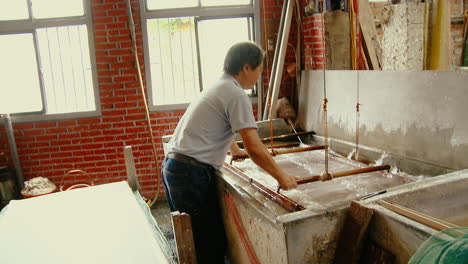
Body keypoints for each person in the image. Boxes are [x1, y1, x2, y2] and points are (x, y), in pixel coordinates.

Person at [162, 42, 298, 263]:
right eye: (259, 70)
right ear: (246, 67)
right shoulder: (235, 94)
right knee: (209, 244)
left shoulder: (219, 86)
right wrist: (282, 177)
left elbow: (218, 126)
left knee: (194, 242)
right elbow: (255, 147)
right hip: (189, 173)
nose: (258, 77)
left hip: (175, 168)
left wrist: (235, 149)